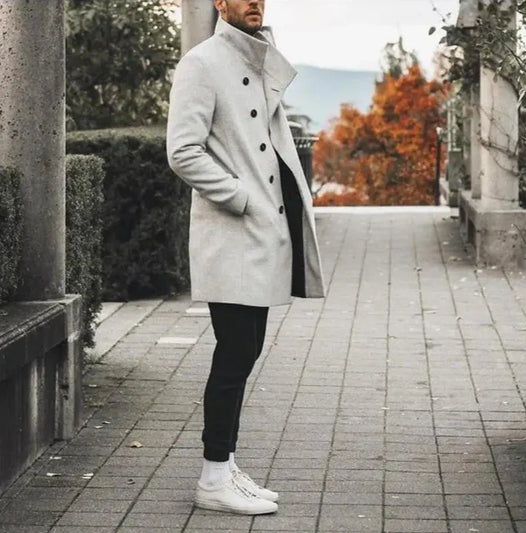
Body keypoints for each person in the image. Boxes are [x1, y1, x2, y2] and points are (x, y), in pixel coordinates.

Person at [166, 0, 325, 516]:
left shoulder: (254, 58)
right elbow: (182, 151)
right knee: (234, 356)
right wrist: (242, 197)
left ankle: (225, 464)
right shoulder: (202, 63)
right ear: (220, 2)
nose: (255, 1)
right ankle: (213, 477)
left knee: (245, 352)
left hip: (257, 234)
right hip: (232, 234)